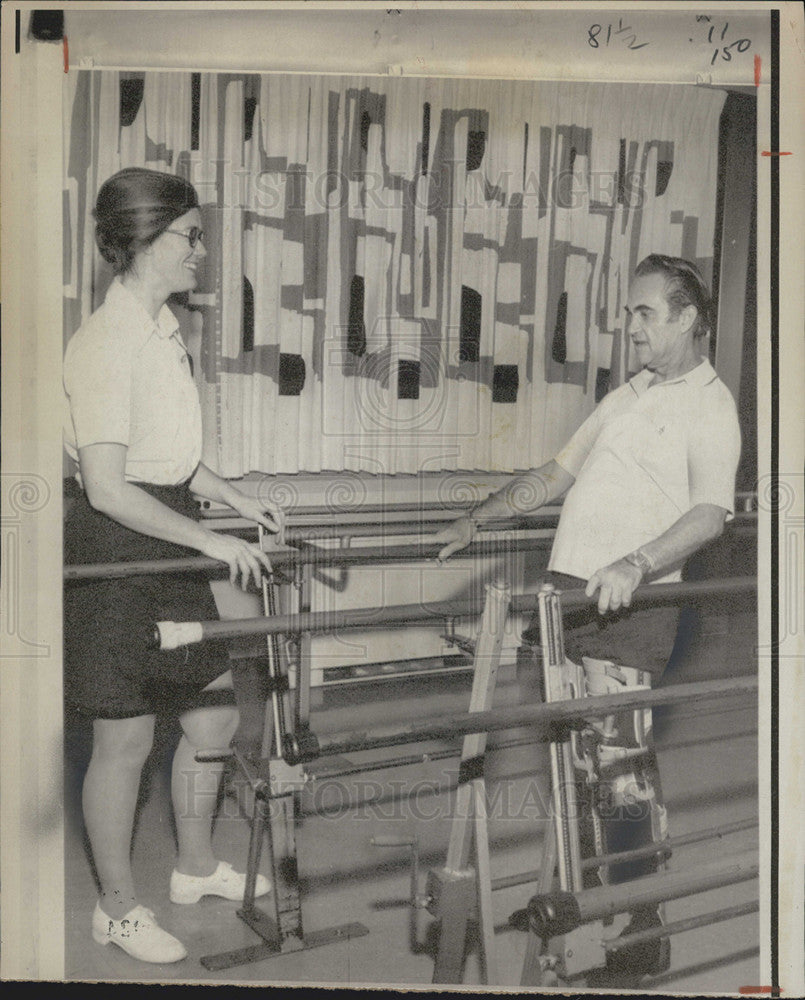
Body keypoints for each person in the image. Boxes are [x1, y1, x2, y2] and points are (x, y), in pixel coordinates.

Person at [435, 253, 741, 983]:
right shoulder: (628, 393)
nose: (627, 326)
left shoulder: (710, 404)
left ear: (686, 317)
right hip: (565, 598)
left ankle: (643, 933)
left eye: (642, 312)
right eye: (627, 312)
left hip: (627, 604)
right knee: (574, 765)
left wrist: (634, 563)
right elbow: (553, 475)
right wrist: (479, 519)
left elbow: (709, 512)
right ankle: (579, 901)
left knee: (620, 773)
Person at [63, 167, 286, 964]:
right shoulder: (104, 344)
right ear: (149, 240)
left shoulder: (165, 333)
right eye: (191, 238)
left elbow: (175, 462)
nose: (201, 252)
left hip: (169, 537)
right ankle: (116, 909)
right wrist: (213, 543)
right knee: (122, 740)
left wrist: (235, 499)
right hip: (118, 552)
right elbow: (109, 486)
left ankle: (193, 869)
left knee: (214, 714)